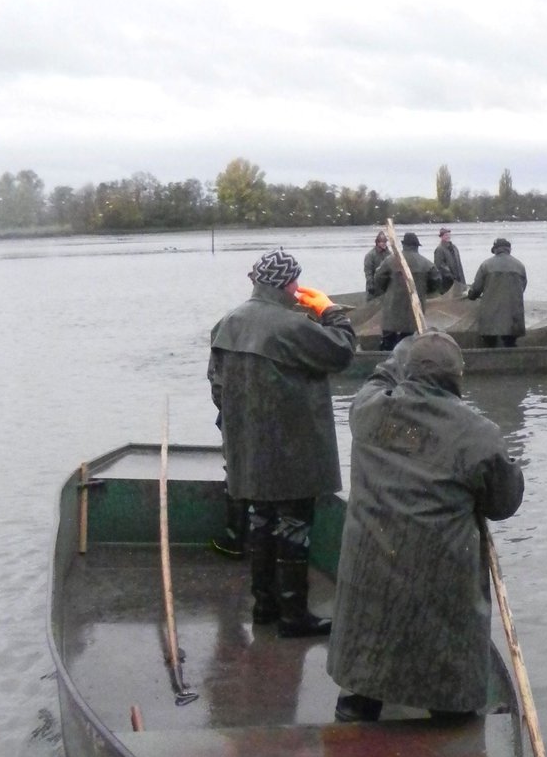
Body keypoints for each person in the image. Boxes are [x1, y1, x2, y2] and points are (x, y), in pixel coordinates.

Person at [327, 333, 524, 723]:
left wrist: (404, 351)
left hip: (370, 564)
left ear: (406, 371)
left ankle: (358, 707)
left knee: (371, 631)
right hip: (439, 571)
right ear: (458, 377)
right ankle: (451, 713)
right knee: (446, 662)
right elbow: (503, 504)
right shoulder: (479, 434)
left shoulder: (367, 413)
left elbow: (378, 380)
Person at [207, 248, 357, 637]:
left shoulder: (227, 322)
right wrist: (328, 310)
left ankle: (264, 608)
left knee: (261, 521)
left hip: (249, 449)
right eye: (294, 282)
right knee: (294, 526)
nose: (296, 290)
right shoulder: (291, 326)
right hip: (293, 450)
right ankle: (293, 617)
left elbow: (216, 386)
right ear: (285, 283)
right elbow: (342, 351)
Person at [371, 230, 444, 351]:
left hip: (391, 314)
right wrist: (424, 291)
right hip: (414, 317)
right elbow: (437, 282)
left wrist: (387, 291)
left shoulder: (390, 260)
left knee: (388, 348)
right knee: (411, 347)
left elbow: (378, 279)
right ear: (416, 246)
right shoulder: (426, 264)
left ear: (404, 245)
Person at [466, 236, 527, 346]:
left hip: (490, 317)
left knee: (489, 344)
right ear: (509, 249)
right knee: (510, 344)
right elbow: (523, 287)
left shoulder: (486, 265)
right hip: (513, 317)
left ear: (495, 250)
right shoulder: (520, 266)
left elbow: (476, 289)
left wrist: (470, 296)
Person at [433, 226, 467, 295]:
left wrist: (462, 282)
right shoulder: (439, 249)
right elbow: (439, 265)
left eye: (448, 235)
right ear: (441, 236)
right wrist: (451, 276)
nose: (448, 236)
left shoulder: (454, 248)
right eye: (445, 235)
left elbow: (459, 266)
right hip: (447, 283)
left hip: (458, 280)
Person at [363, 230, 388, 295]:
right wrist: (371, 285)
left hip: (385, 286)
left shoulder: (389, 254)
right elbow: (368, 272)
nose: (384, 243)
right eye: (381, 242)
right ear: (377, 243)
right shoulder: (370, 255)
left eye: (385, 242)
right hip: (374, 285)